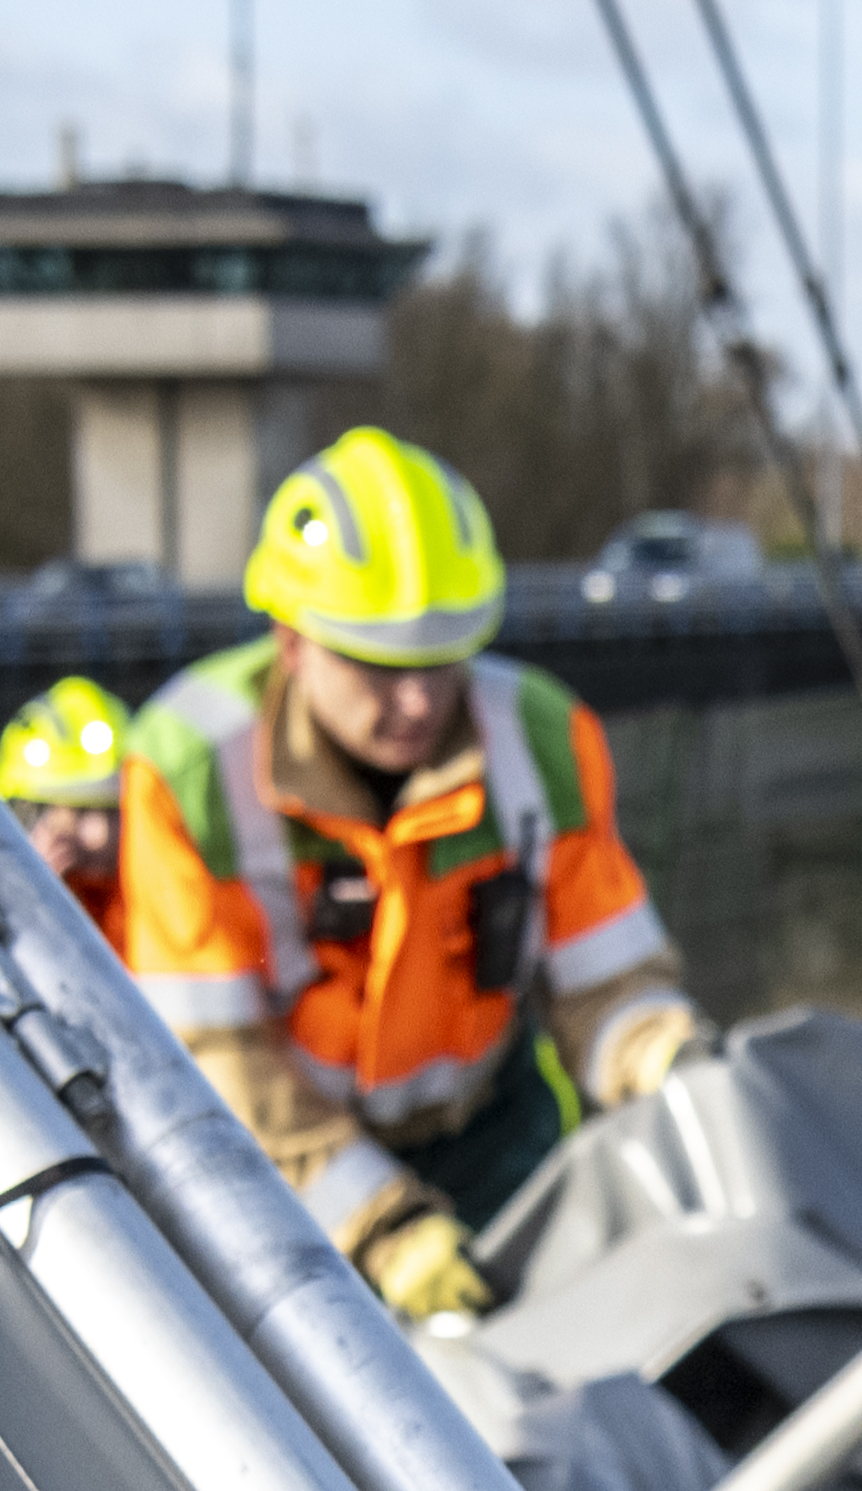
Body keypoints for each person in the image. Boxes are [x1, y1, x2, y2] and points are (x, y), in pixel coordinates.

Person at [114, 426, 708, 1326]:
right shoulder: (191, 774)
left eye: (442, 662)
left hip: (494, 1138)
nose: (420, 703)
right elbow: (216, 1062)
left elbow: (606, 981)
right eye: (380, 667)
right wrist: (379, 1224)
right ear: (292, 639)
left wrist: (664, 1056)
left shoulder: (542, 743)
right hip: (283, 1170)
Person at [0, 673, 131, 942]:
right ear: (21, 817)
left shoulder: (165, 905)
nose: (99, 835)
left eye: (114, 812)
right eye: (77, 813)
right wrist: (29, 904)